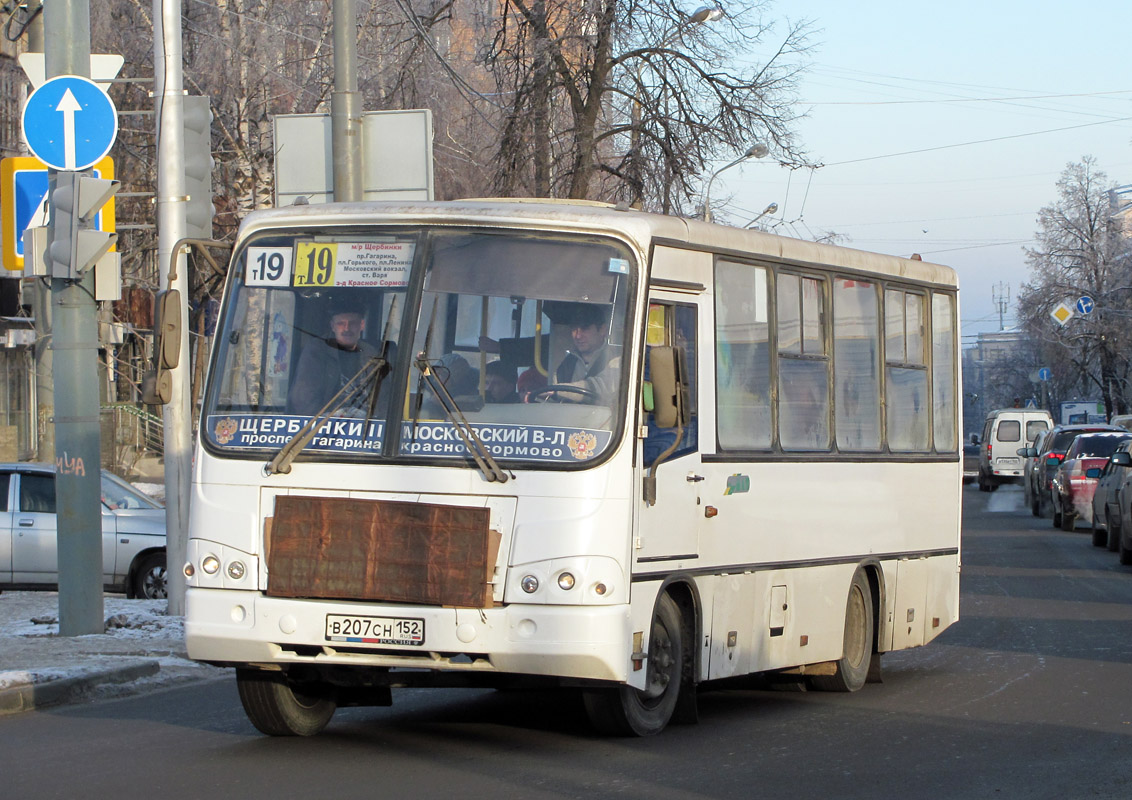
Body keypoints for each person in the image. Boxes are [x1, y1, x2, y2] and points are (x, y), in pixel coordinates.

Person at [289, 298, 380, 416]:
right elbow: (304, 398)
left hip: (366, 426)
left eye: (352, 323)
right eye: (341, 323)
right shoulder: (316, 351)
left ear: (361, 325)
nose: (346, 329)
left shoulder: (372, 354)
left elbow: (383, 398)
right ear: (333, 326)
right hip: (327, 426)